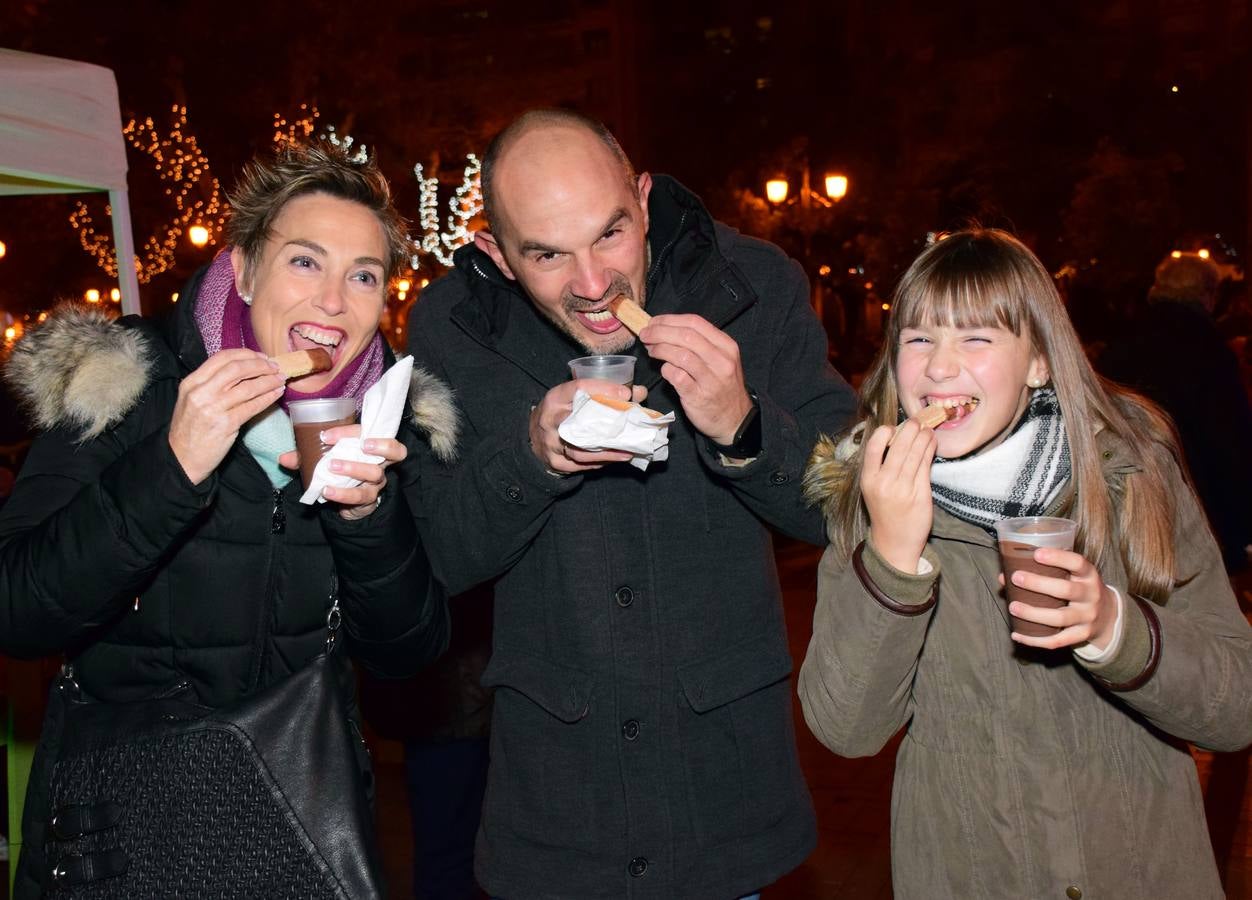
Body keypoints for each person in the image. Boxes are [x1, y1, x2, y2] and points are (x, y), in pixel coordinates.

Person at [406, 109, 856, 899]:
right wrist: (530, 459)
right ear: (496, 255)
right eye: (547, 254)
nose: (591, 284)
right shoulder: (451, 327)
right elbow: (435, 558)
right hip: (555, 814)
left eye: (611, 234)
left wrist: (747, 427)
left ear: (644, 200)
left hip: (722, 798)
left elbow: (843, 505)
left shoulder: (753, 285)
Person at [0, 141, 454, 897]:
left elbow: (411, 660)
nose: (333, 301)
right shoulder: (128, 382)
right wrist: (172, 465)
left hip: (297, 828)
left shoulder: (388, 422)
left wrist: (369, 517)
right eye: (305, 261)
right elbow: (14, 609)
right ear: (243, 269)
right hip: (130, 834)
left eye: (363, 275)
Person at [798, 228, 1252, 899]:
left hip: (1143, 870)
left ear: (1039, 360)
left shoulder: (1130, 475)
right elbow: (848, 730)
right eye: (918, 338)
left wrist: (1114, 630)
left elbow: (1237, 706)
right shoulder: (871, 493)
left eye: (976, 338)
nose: (940, 367)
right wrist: (893, 555)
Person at [1098, 252, 1252, 574]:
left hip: (1132, 497)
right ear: (1207, 295)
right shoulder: (1209, 351)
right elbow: (1230, 439)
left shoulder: (1124, 344)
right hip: (1198, 503)